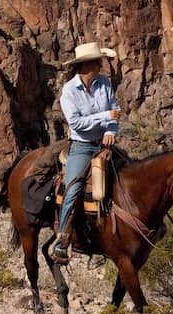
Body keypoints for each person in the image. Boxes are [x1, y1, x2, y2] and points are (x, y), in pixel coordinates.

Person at [53, 42, 121, 262]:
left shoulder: (104, 83)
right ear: (87, 64)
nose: (102, 64)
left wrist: (111, 130)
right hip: (82, 146)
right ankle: (63, 239)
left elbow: (115, 110)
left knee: (127, 175)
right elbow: (76, 123)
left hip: (104, 144)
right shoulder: (69, 91)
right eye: (98, 61)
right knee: (73, 186)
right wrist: (105, 118)